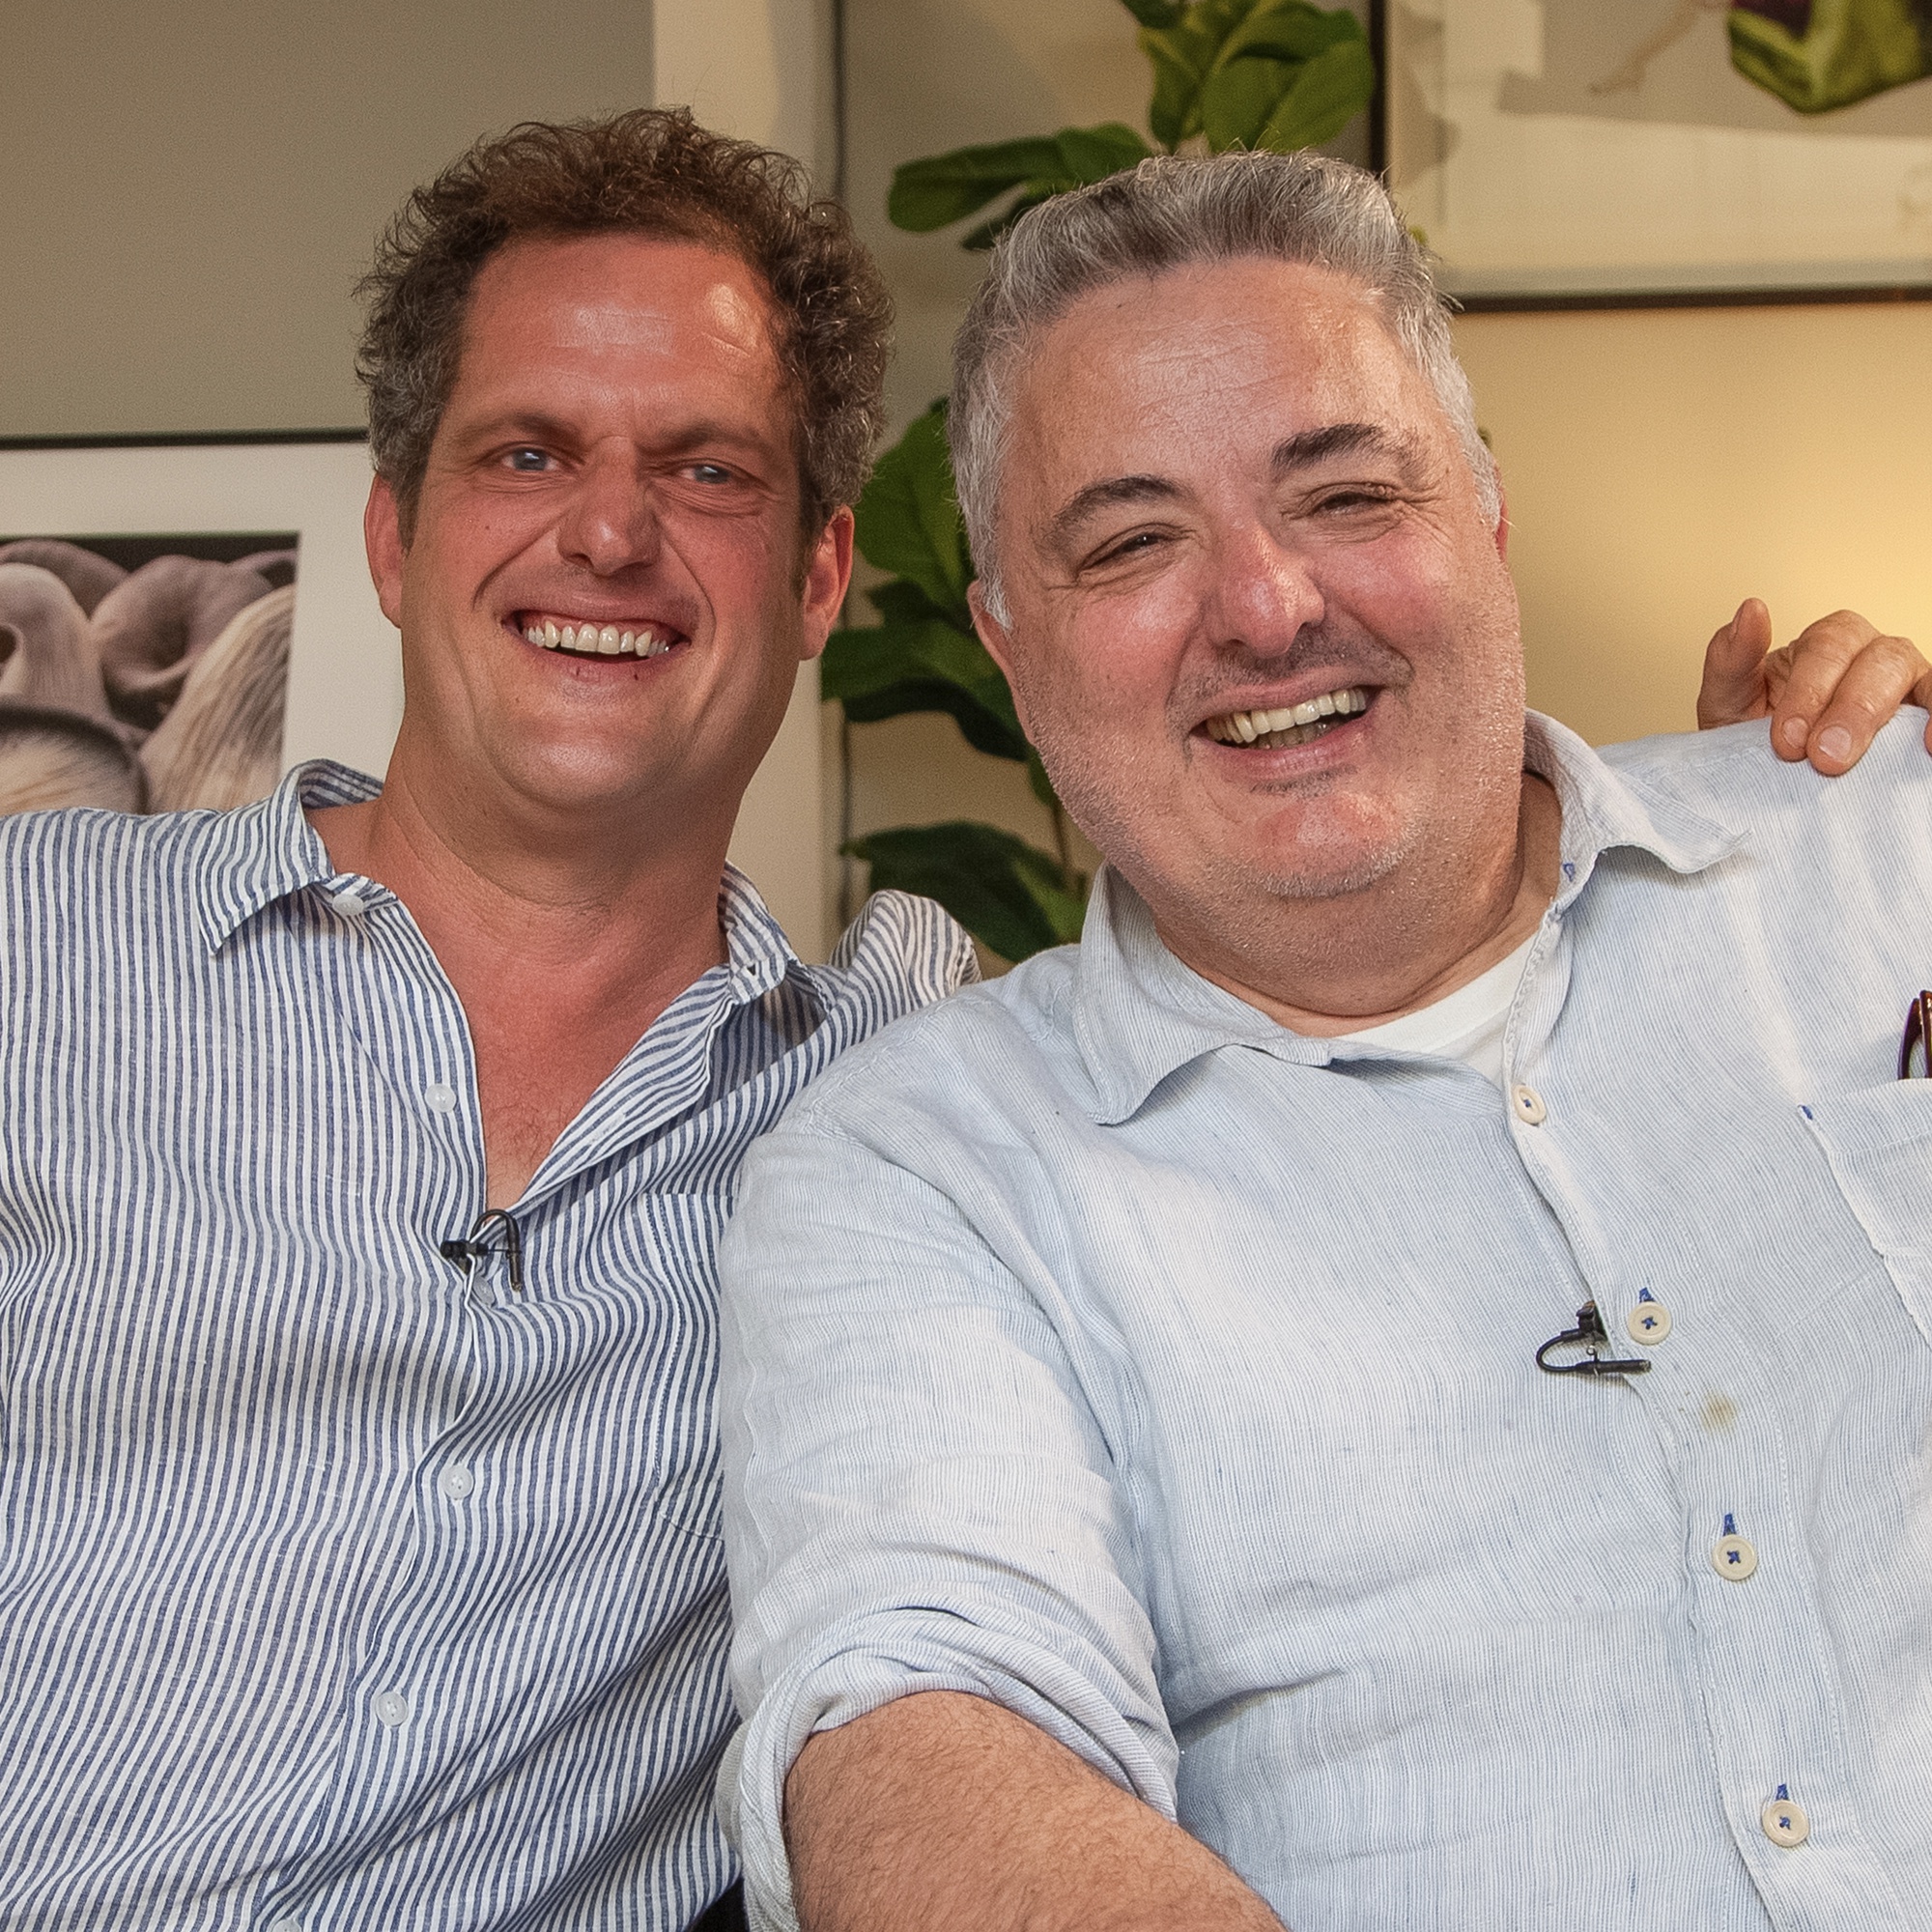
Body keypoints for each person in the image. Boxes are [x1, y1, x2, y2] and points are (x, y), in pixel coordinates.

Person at [717, 150, 1932, 1932]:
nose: (1270, 607)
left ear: (1487, 514)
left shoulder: (1880, 832)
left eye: (1349, 492)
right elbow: (930, 1740)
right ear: (1008, 646)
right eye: (1132, 540)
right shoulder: (921, 1167)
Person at [0, 110, 976, 1930]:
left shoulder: (910, 1101)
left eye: (706, 472)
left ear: (821, 577)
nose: (608, 531)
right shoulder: (35, 953)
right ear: (394, 533)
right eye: (528, 452)